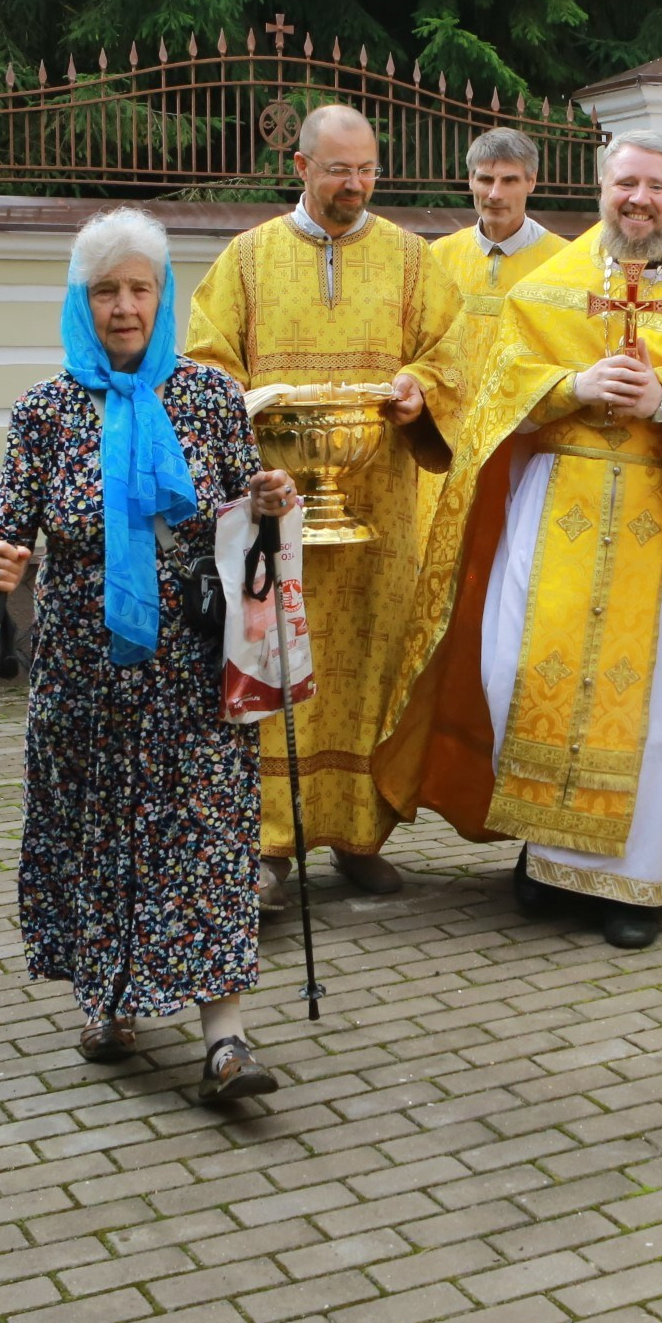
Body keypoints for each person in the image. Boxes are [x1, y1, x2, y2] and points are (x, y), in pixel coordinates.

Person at [372, 131, 662, 950]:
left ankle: (635, 881)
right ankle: (546, 853)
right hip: (554, 499)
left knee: (648, 693)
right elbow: (496, 393)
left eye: (657, 187)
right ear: (601, 188)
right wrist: (572, 385)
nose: (640, 199)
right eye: (626, 183)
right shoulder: (555, 281)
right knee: (521, 673)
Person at [0, 208, 298, 1102]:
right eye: (107, 291)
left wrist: (273, 499)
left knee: (204, 838)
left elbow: (246, 522)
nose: (125, 306)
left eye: (140, 289)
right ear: (84, 300)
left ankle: (225, 1036)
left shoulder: (207, 397)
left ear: (163, 298)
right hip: (83, 668)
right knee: (94, 833)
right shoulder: (43, 411)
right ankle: (105, 997)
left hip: (193, 670)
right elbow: (5, 533)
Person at [186, 104, 463, 909]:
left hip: (380, 511)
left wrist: (424, 392)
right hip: (276, 511)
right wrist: (249, 409)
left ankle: (356, 833)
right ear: (300, 168)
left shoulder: (413, 262)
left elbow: (452, 354)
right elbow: (205, 365)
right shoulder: (245, 261)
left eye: (368, 169)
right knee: (273, 666)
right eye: (339, 169)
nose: (355, 184)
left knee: (370, 666)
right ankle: (270, 846)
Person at [418, 128, 570, 550]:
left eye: (509, 180)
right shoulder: (439, 257)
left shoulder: (563, 263)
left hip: (524, 440)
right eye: (485, 179)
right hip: (448, 442)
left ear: (532, 182)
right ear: (470, 181)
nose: (495, 193)